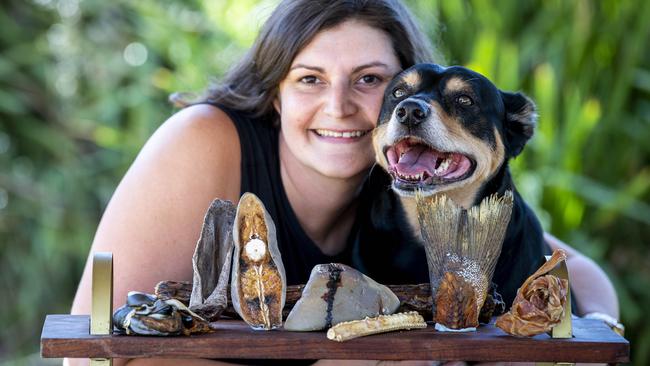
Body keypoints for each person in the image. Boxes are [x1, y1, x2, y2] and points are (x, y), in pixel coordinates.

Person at [68, 1, 620, 365]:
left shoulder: (414, 184)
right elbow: (86, 351)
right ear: (276, 92)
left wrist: (598, 327)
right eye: (310, 79)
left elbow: (576, 274)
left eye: (371, 80)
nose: (339, 106)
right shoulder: (204, 142)